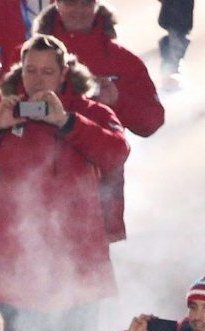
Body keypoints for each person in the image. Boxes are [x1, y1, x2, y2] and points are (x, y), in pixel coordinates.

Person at [0, 33, 130, 331]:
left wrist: (66, 122)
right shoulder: (3, 114)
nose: (37, 79)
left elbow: (116, 154)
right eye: (30, 70)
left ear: (64, 74)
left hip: (75, 265)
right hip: (14, 266)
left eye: (47, 72)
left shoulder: (90, 113)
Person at [31, 0, 166, 245]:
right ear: (56, 4)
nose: (79, 10)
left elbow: (152, 121)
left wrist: (118, 101)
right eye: (71, 3)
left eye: (86, 3)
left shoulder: (123, 61)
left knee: (95, 279)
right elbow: (2, 113)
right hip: (36, 189)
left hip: (101, 191)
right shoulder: (29, 58)